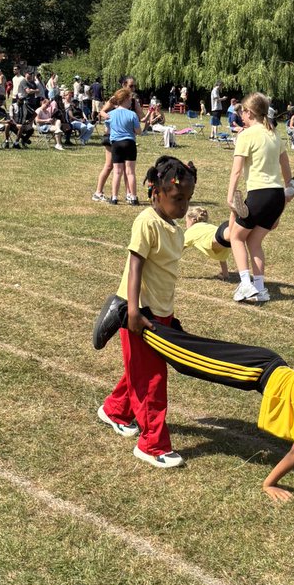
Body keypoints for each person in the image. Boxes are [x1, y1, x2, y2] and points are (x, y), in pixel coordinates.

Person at [93, 292, 294, 504]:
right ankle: (125, 313)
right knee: (187, 361)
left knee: (196, 353)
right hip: (255, 371)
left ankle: (164, 327)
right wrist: (269, 483)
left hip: (266, 369)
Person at [97, 155, 198, 468]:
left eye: (188, 199)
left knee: (140, 372)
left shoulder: (174, 227)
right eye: (177, 198)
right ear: (156, 193)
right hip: (139, 313)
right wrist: (134, 312)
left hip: (160, 312)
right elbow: (136, 264)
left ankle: (115, 409)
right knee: (152, 379)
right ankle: (153, 444)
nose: (183, 206)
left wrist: (168, 313)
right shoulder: (147, 221)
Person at [226, 91, 292, 304]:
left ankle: (246, 284)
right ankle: (261, 289)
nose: (240, 116)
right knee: (254, 241)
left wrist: (230, 197)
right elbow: (286, 169)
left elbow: (236, 171)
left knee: (236, 237)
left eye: (242, 112)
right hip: (276, 196)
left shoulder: (246, 135)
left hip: (259, 194)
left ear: (249, 112)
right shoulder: (274, 135)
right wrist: (287, 195)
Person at [105, 86, 142, 202]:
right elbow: (138, 131)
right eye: (130, 99)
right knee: (130, 172)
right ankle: (133, 197)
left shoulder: (111, 114)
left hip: (116, 144)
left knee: (117, 172)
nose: (131, 101)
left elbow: (107, 131)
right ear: (125, 99)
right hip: (129, 143)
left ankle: (114, 197)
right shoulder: (132, 115)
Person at [183, 206, 230, 279]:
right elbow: (222, 257)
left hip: (221, 239)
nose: (185, 224)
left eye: (186, 221)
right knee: (230, 232)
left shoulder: (192, 230)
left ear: (193, 220)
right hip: (225, 242)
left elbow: (178, 250)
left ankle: (236, 215)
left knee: (230, 231)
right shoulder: (208, 227)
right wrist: (225, 275)